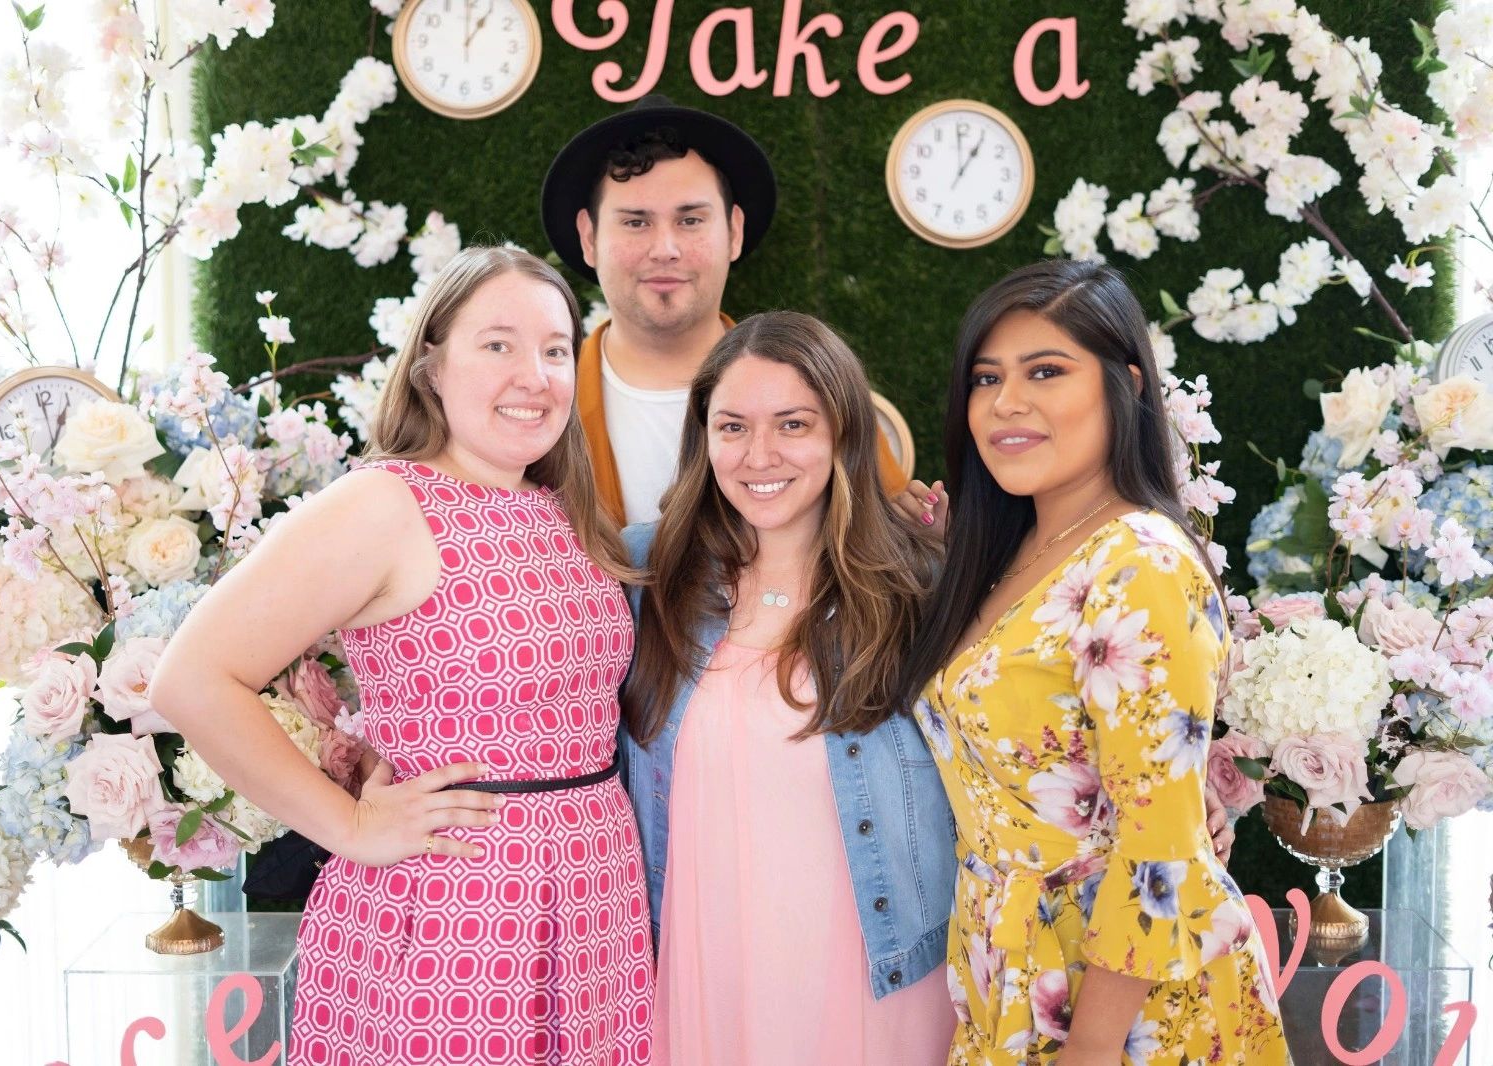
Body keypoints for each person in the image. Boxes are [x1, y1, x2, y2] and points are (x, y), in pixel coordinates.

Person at [150, 247, 654, 1066]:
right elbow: (192, 677)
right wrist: (347, 824)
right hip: (454, 915)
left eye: (555, 349)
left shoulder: (561, 508)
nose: (534, 374)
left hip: (594, 906)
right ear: (431, 367)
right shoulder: (385, 503)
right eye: (497, 344)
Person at [896, 260, 1289, 1065]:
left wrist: (1093, 1050)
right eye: (986, 377)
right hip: (1009, 969)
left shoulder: (1142, 563)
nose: (1007, 403)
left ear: (1128, 386)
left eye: (1046, 371)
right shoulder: (1016, 554)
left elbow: (1162, 855)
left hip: (1125, 1011)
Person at [619, 311, 958, 1065]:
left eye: (793, 424)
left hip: (877, 965)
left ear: (842, 431)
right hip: (700, 962)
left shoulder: (920, 584)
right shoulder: (650, 574)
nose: (759, 454)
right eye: (732, 426)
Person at [541, 95, 916, 527]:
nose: (665, 249)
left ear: (733, 232)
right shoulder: (536, 404)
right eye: (635, 222)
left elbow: (889, 550)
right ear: (589, 238)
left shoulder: (823, 397)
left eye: (690, 220)